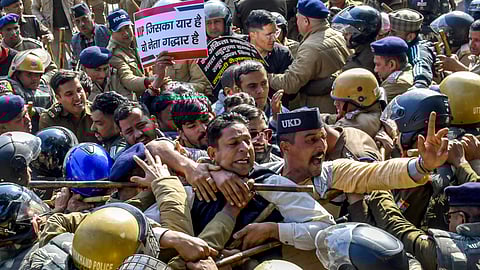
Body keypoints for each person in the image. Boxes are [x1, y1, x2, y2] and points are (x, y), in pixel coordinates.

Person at [355, 182, 480, 270]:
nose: (448, 222)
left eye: (450, 216)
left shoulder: (446, 252)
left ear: (462, 219)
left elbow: (394, 226)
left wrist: (379, 185)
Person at [269, 0, 350, 112]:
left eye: (298, 18)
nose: (296, 23)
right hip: (341, 104)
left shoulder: (310, 47)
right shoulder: (338, 35)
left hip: (323, 109)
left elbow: (290, 83)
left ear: (306, 21)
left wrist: (265, 77)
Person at [0, 182, 53, 269]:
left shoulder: (8, 250)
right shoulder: (27, 261)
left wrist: (59, 210)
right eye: (24, 214)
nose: (33, 213)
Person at [2, 49, 54, 132]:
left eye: (37, 74)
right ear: (17, 74)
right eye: (29, 74)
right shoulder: (6, 86)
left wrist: (35, 111)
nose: (34, 78)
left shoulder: (46, 88)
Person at [39, 70, 97, 143]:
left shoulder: (96, 112)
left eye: (79, 90)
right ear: (58, 98)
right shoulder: (49, 119)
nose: (77, 97)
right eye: (69, 94)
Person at [325, 68, 384, 138]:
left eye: (340, 101)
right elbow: (335, 118)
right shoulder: (374, 110)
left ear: (359, 100)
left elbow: (325, 135)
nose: (335, 104)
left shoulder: (357, 123)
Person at [106, 9, 154, 96]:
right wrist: (148, 81)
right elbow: (127, 79)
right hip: (137, 100)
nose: (126, 33)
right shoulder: (113, 54)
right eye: (119, 30)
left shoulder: (141, 40)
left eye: (127, 27)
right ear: (111, 32)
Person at [233, 60, 288, 130]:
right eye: (252, 86)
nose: (260, 90)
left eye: (264, 84)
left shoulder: (283, 113)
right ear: (238, 90)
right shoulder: (228, 118)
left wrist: (277, 120)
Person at [388, 8, 435, 88]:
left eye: (394, 33)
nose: (389, 36)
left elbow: (420, 63)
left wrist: (420, 83)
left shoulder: (418, 49)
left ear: (410, 36)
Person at [332, 5, 381, 73]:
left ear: (363, 32)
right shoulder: (368, 51)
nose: (344, 34)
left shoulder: (359, 65)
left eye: (349, 31)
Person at [31, 0, 81, 65]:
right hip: (52, 31)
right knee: (59, 60)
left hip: (71, 29)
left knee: (77, 55)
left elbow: (78, 5)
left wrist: (77, 22)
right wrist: (42, 20)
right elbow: (34, 8)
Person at [245, 10, 293, 74]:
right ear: (253, 35)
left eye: (274, 33)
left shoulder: (283, 54)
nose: (274, 39)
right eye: (269, 34)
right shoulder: (235, 50)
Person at [371, 36, 414, 102]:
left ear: (392, 64)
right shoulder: (409, 72)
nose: (375, 70)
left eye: (378, 65)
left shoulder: (396, 84)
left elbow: (373, 108)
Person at [91, 91, 128, 159]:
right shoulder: (108, 145)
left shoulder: (120, 154)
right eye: (93, 122)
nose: (92, 128)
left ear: (118, 124)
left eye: (99, 123)